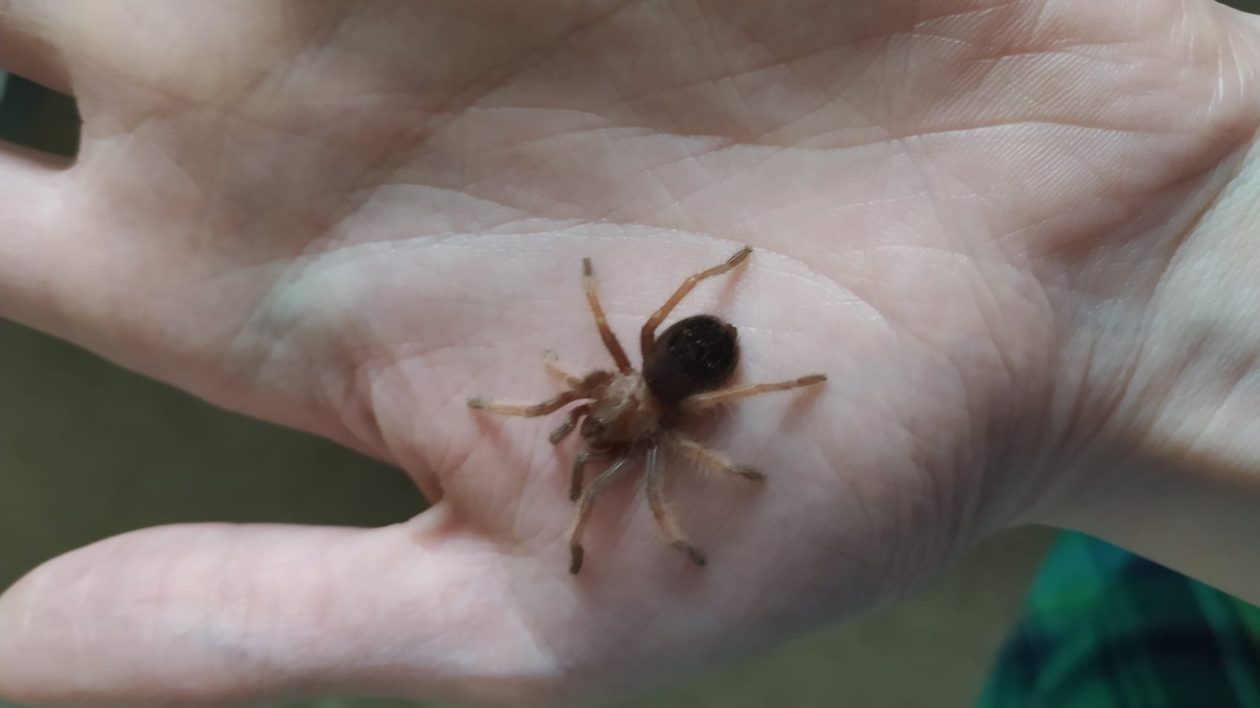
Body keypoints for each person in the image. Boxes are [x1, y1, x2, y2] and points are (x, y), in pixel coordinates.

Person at [0, 1, 1257, 705]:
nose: (583, 433)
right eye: (588, 420)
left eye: (587, 421)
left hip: (703, 357)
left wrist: (636, 515)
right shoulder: (620, 396)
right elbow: (605, 411)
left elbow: (658, 477)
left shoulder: (655, 410)